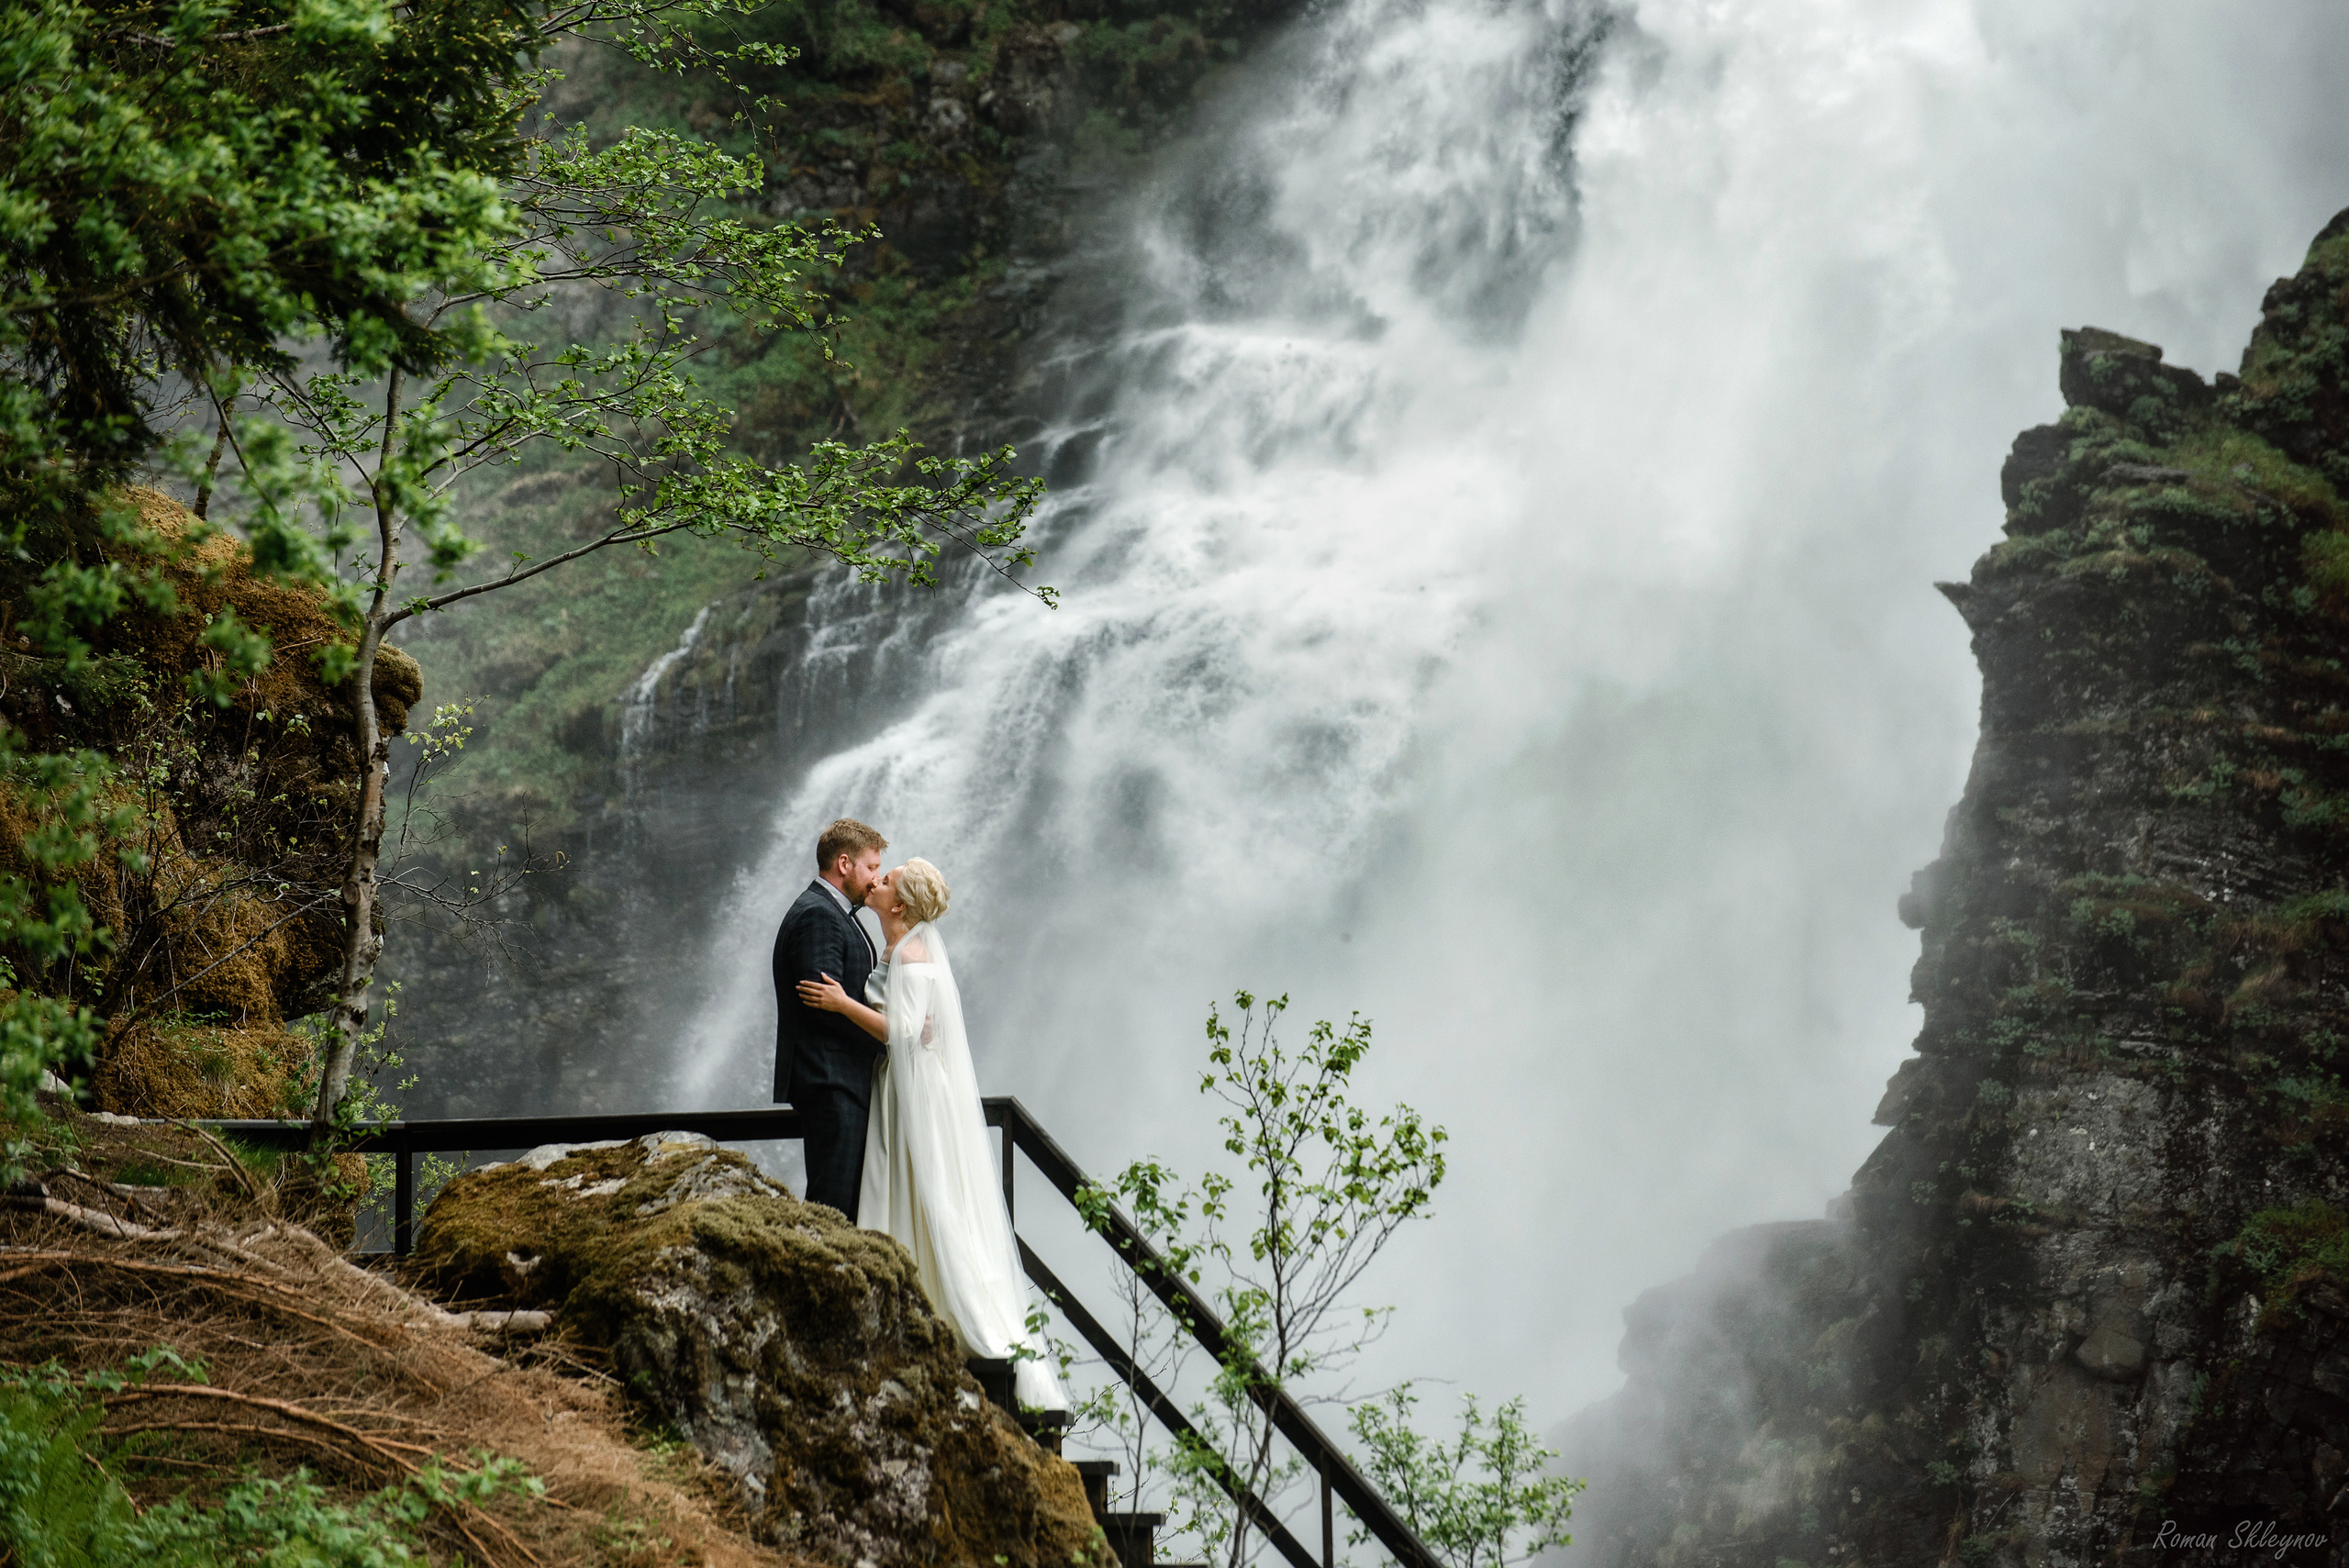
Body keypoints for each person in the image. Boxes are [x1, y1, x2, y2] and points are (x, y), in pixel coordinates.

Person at [796, 859, 1068, 1410]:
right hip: (906, 1084)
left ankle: (948, 1307)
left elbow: (902, 1030)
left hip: (915, 1089)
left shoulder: (915, 956)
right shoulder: (900, 950)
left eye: (888, 878)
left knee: (929, 1191)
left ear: (899, 906)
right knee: (912, 1187)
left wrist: (842, 1004)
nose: (879, 880)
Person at [772, 818, 887, 1220]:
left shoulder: (833, 912)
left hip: (839, 1080)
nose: (876, 879)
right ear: (844, 863)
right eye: (871, 867)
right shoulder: (818, 915)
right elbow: (822, 1003)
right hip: (830, 1080)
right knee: (832, 1205)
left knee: (845, 1201)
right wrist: (891, 1040)